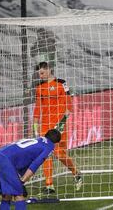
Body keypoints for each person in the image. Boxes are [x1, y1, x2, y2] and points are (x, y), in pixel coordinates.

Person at [33, 62, 82, 194]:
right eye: (39, 74)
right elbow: (37, 107)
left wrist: (64, 119)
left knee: (59, 154)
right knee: (45, 154)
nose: (41, 75)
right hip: (44, 125)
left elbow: (69, 102)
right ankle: (49, 185)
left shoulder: (61, 83)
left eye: (42, 73)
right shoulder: (39, 87)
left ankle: (76, 172)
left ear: (49, 70)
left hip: (59, 125)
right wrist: (35, 125)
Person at [0, 129, 61, 210]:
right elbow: (35, 165)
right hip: (5, 161)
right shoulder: (49, 146)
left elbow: (21, 162)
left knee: (7, 194)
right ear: (56, 143)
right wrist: (22, 181)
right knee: (19, 195)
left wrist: (21, 180)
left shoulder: (37, 140)